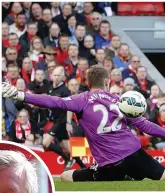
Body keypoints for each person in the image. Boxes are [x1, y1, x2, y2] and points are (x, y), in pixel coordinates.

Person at [2, 65, 165, 182]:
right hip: (134, 155)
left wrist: (21, 95)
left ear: (88, 83)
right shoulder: (120, 100)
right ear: (107, 82)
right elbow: (145, 126)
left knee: (66, 177)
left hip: (109, 165)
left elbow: (53, 101)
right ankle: (129, 175)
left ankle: (124, 175)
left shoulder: (83, 99)